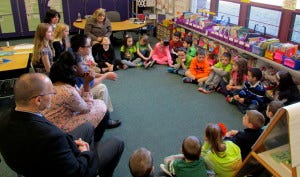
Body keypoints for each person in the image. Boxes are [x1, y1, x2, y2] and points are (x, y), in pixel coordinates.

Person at [0, 73, 124, 177]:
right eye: (51, 93)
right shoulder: (51, 137)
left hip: (34, 164)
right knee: (117, 142)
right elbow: (77, 172)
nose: (54, 94)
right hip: (65, 168)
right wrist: (85, 153)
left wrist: (71, 143)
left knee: (88, 127)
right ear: (38, 100)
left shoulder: (4, 119)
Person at [43, 52, 120, 140]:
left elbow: (78, 95)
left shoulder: (63, 80)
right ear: (75, 68)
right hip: (60, 128)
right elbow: (86, 109)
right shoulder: (67, 91)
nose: (85, 67)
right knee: (103, 111)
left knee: (100, 103)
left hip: (54, 122)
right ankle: (93, 142)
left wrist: (91, 78)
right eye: (82, 64)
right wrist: (86, 83)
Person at [71, 34, 117, 113]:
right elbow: (91, 82)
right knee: (102, 88)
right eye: (88, 46)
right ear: (81, 48)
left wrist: (103, 75)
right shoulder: (77, 64)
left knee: (101, 86)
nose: (90, 48)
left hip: (79, 89)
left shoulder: (78, 58)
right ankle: (102, 116)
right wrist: (105, 76)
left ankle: (106, 112)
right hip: (77, 93)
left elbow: (88, 74)